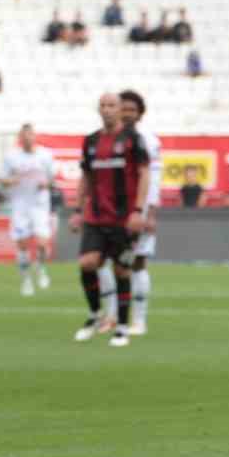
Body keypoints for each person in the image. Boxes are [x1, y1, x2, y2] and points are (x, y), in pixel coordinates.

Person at [69, 91, 149, 348]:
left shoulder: (133, 139)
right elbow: (86, 177)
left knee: (121, 269)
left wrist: (138, 210)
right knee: (87, 263)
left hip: (124, 218)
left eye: (111, 105)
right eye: (102, 105)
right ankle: (94, 315)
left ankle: (122, 327)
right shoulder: (90, 141)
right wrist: (77, 209)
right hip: (96, 215)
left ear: (119, 109)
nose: (107, 109)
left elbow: (144, 174)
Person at [102, 89, 162, 336]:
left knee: (137, 262)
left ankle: (139, 319)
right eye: (123, 109)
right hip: (111, 211)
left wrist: (150, 214)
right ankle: (113, 315)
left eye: (132, 110)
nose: (127, 114)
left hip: (138, 211)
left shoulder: (148, 140)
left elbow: (154, 179)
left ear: (140, 113)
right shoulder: (109, 138)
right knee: (104, 261)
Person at [3, 122, 56, 296]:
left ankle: (41, 268)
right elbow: (3, 179)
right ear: (20, 138)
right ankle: (26, 280)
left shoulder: (45, 155)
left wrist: (45, 184)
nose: (27, 138)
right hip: (20, 206)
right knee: (22, 245)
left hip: (39, 205)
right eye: (24, 135)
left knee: (41, 243)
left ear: (34, 136)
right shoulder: (12, 157)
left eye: (30, 134)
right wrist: (11, 181)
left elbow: (52, 179)